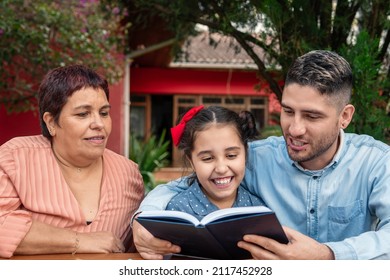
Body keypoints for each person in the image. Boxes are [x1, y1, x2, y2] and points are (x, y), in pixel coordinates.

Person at [132, 50, 390, 260]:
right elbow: (180, 187)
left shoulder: (375, 162)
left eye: (312, 116)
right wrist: (142, 220)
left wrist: (329, 254)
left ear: (344, 116)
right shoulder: (255, 157)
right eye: (288, 111)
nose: (295, 128)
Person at [0, 65, 144, 258]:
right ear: (51, 122)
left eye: (103, 113)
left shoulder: (129, 174)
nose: (99, 124)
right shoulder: (15, 159)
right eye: (82, 114)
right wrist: (80, 240)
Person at [166, 105, 263, 220]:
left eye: (231, 155)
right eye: (207, 158)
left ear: (245, 154)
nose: (221, 169)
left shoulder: (258, 210)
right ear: (191, 161)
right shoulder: (177, 210)